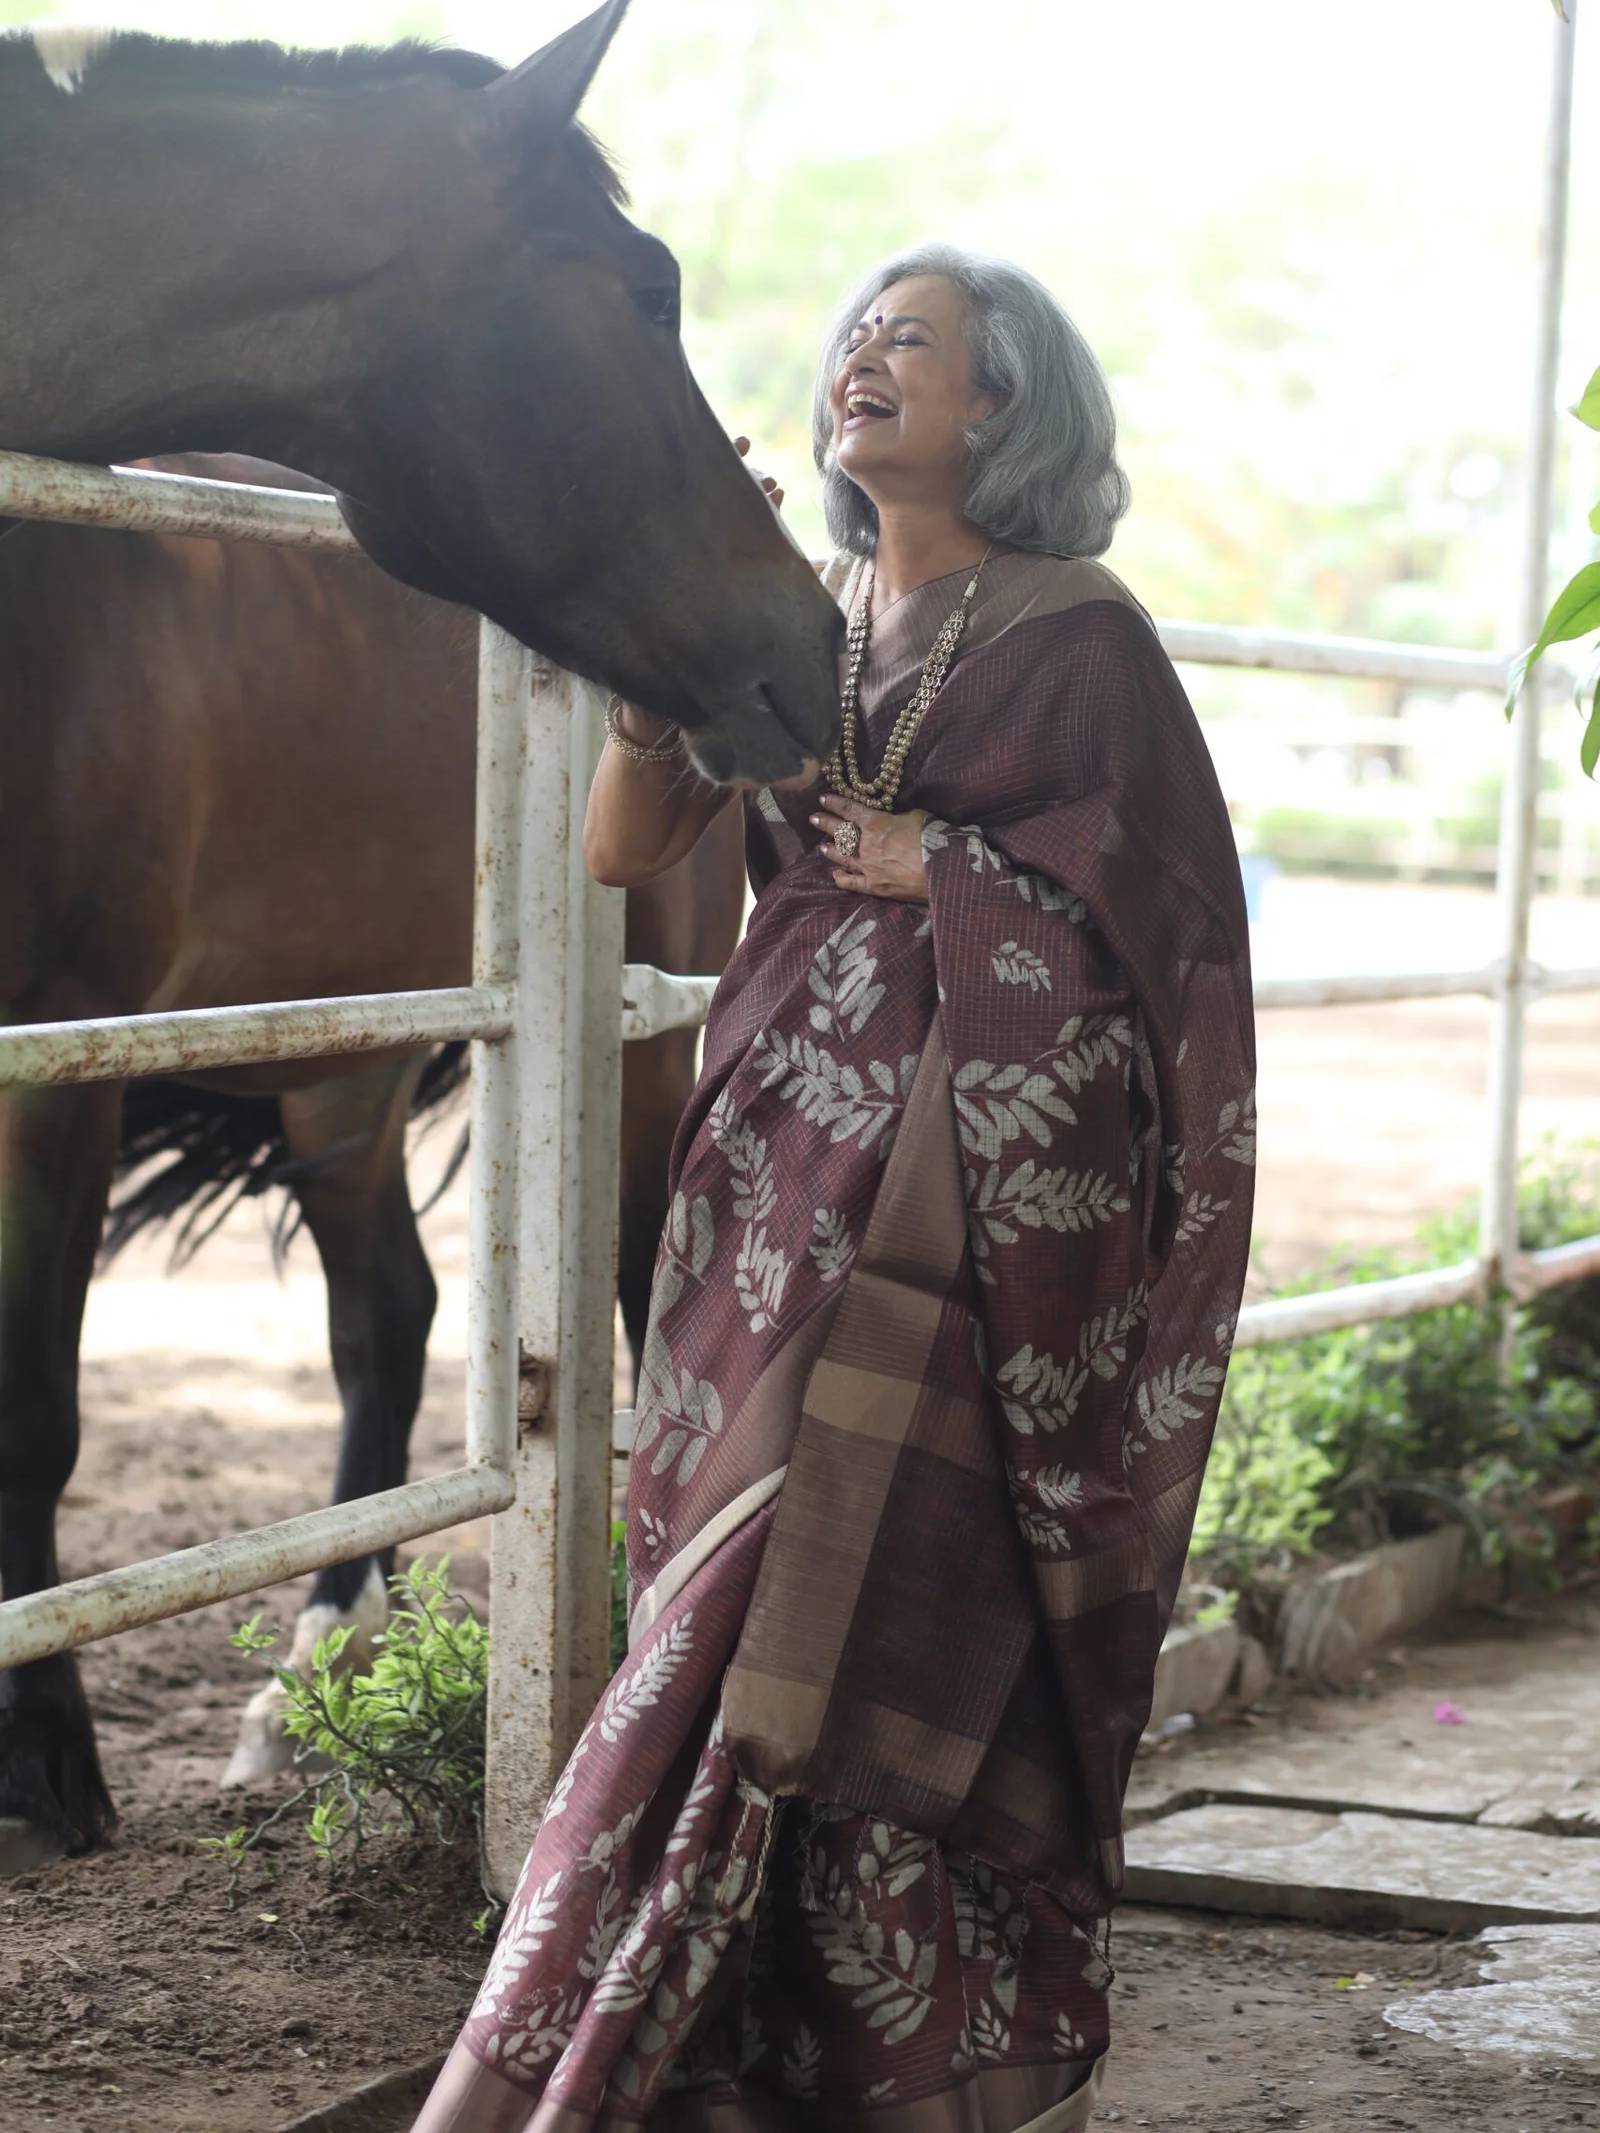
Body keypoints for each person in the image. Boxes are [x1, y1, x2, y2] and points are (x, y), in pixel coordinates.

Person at [416, 242, 1255, 2133]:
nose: (865, 357)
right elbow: (625, 844)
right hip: (768, 1151)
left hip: (967, 1194)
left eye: (915, 341)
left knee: (845, 1578)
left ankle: (827, 2035)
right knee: (719, 1546)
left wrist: (944, 872)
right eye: (857, 335)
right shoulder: (790, 608)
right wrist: (659, 649)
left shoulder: (1080, 638)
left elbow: (1170, 938)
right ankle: (714, 2025)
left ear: (1005, 405)